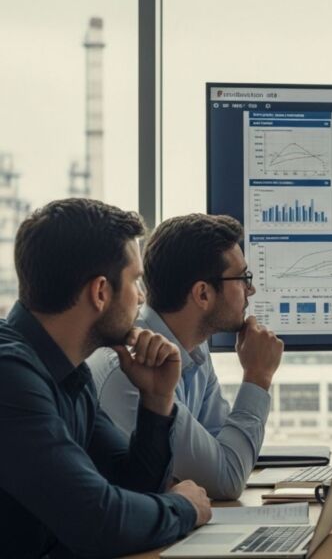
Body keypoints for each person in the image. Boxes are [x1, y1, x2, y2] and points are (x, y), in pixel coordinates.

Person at [0, 198, 211, 558]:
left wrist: (157, 401)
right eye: (135, 281)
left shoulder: (70, 373)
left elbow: (133, 487)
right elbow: (99, 521)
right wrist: (185, 508)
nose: (141, 297)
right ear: (100, 292)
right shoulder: (10, 376)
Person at [88, 213, 284, 500]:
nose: (250, 290)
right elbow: (226, 479)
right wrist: (257, 378)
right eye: (242, 278)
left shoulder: (195, 348)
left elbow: (223, 449)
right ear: (203, 294)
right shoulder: (131, 368)